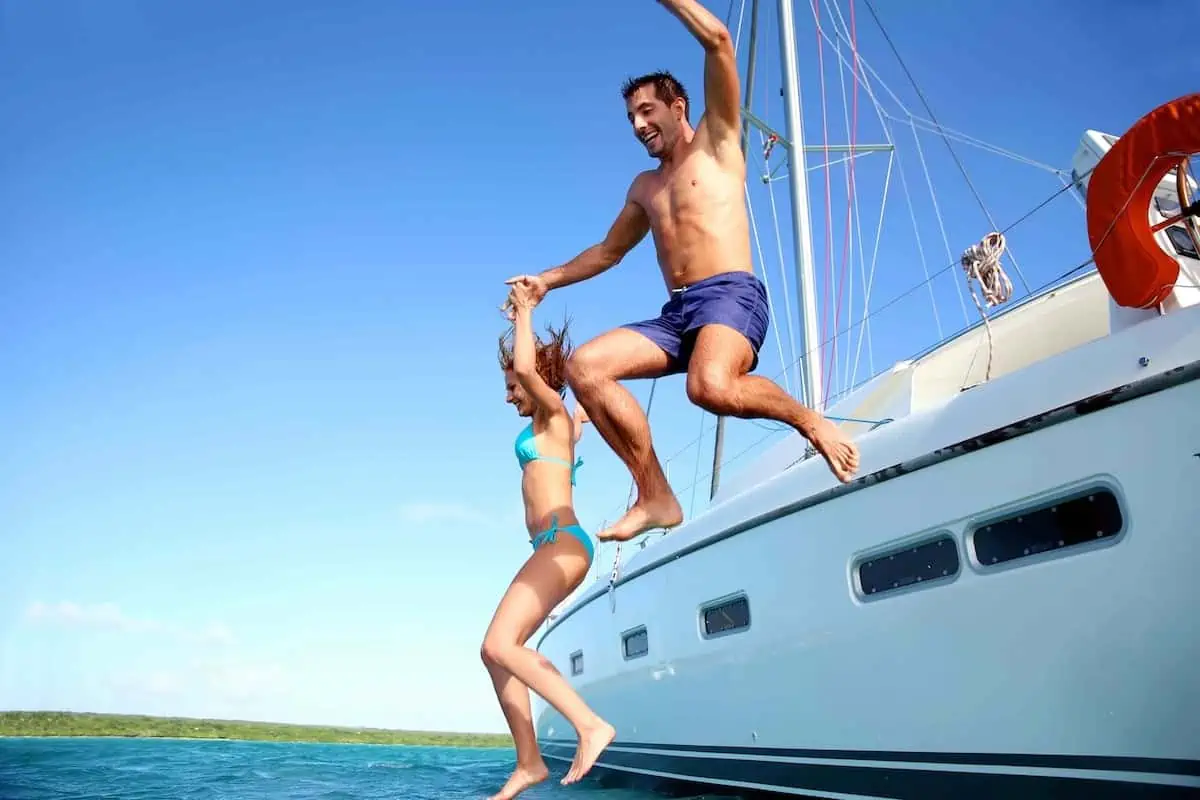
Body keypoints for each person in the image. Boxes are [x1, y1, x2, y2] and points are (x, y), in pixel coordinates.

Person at [505, 0, 860, 544]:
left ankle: (809, 420)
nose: (638, 124)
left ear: (678, 105)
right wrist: (546, 281)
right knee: (586, 367)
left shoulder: (719, 143)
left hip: (730, 296)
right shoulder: (645, 188)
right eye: (630, 118)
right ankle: (655, 494)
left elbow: (719, 40)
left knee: (709, 386)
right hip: (679, 313)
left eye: (647, 110)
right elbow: (607, 251)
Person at [481, 280, 615, 799]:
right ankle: (529, 762)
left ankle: (589, 725)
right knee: (496, 653)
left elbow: (530, 373)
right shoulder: (564, 424)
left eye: (514, 386)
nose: (510, 394)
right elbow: (575, 423)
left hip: (564, 542)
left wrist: (522, 313)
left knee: (499, 644)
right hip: (552, 548)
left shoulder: (552, 414)